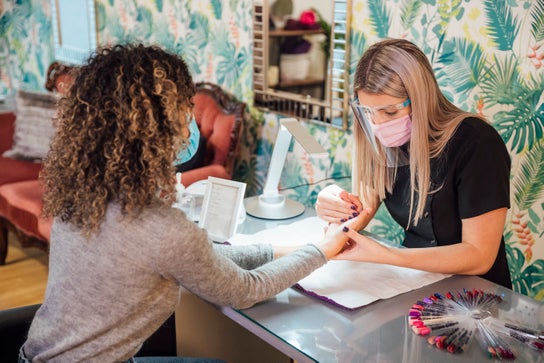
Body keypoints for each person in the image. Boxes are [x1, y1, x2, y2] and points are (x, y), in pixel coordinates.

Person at [21, 44, 366, 363]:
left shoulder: (86, 195)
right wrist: (321, 252)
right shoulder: (160, 228)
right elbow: (246, 290)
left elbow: (201, 260)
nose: (190, 120)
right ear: (155, 126)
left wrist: (290, 248)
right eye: (184, 107)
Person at [315, 38, 512, 289]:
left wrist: (386, 256)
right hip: (415, 283)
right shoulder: (386, 141)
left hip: (477, 294)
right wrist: (336, 206)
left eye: (389, 112)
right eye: (369, 112)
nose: (378, 125)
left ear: (420, 98)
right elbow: (363, 206)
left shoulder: (477, 143)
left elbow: (479, 256)